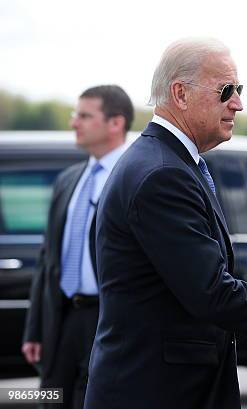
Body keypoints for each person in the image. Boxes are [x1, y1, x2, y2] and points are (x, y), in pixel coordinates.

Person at [83, 38, 247, 409]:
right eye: (226, 91)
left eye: (239, 90)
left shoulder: (167, 163)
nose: (238, 103)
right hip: (157, 393)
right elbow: (211, 292)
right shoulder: (161, 174)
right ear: (180, 93)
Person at [22, 85, 134, 409]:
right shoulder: (69, 179)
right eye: (75, 114)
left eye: (84, 116)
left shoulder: (132, 178)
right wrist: (35, 329)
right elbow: (48, 260)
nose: (74, 123)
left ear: (115, 123)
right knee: (51, 398)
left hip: (107, 318)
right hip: (63, 319)